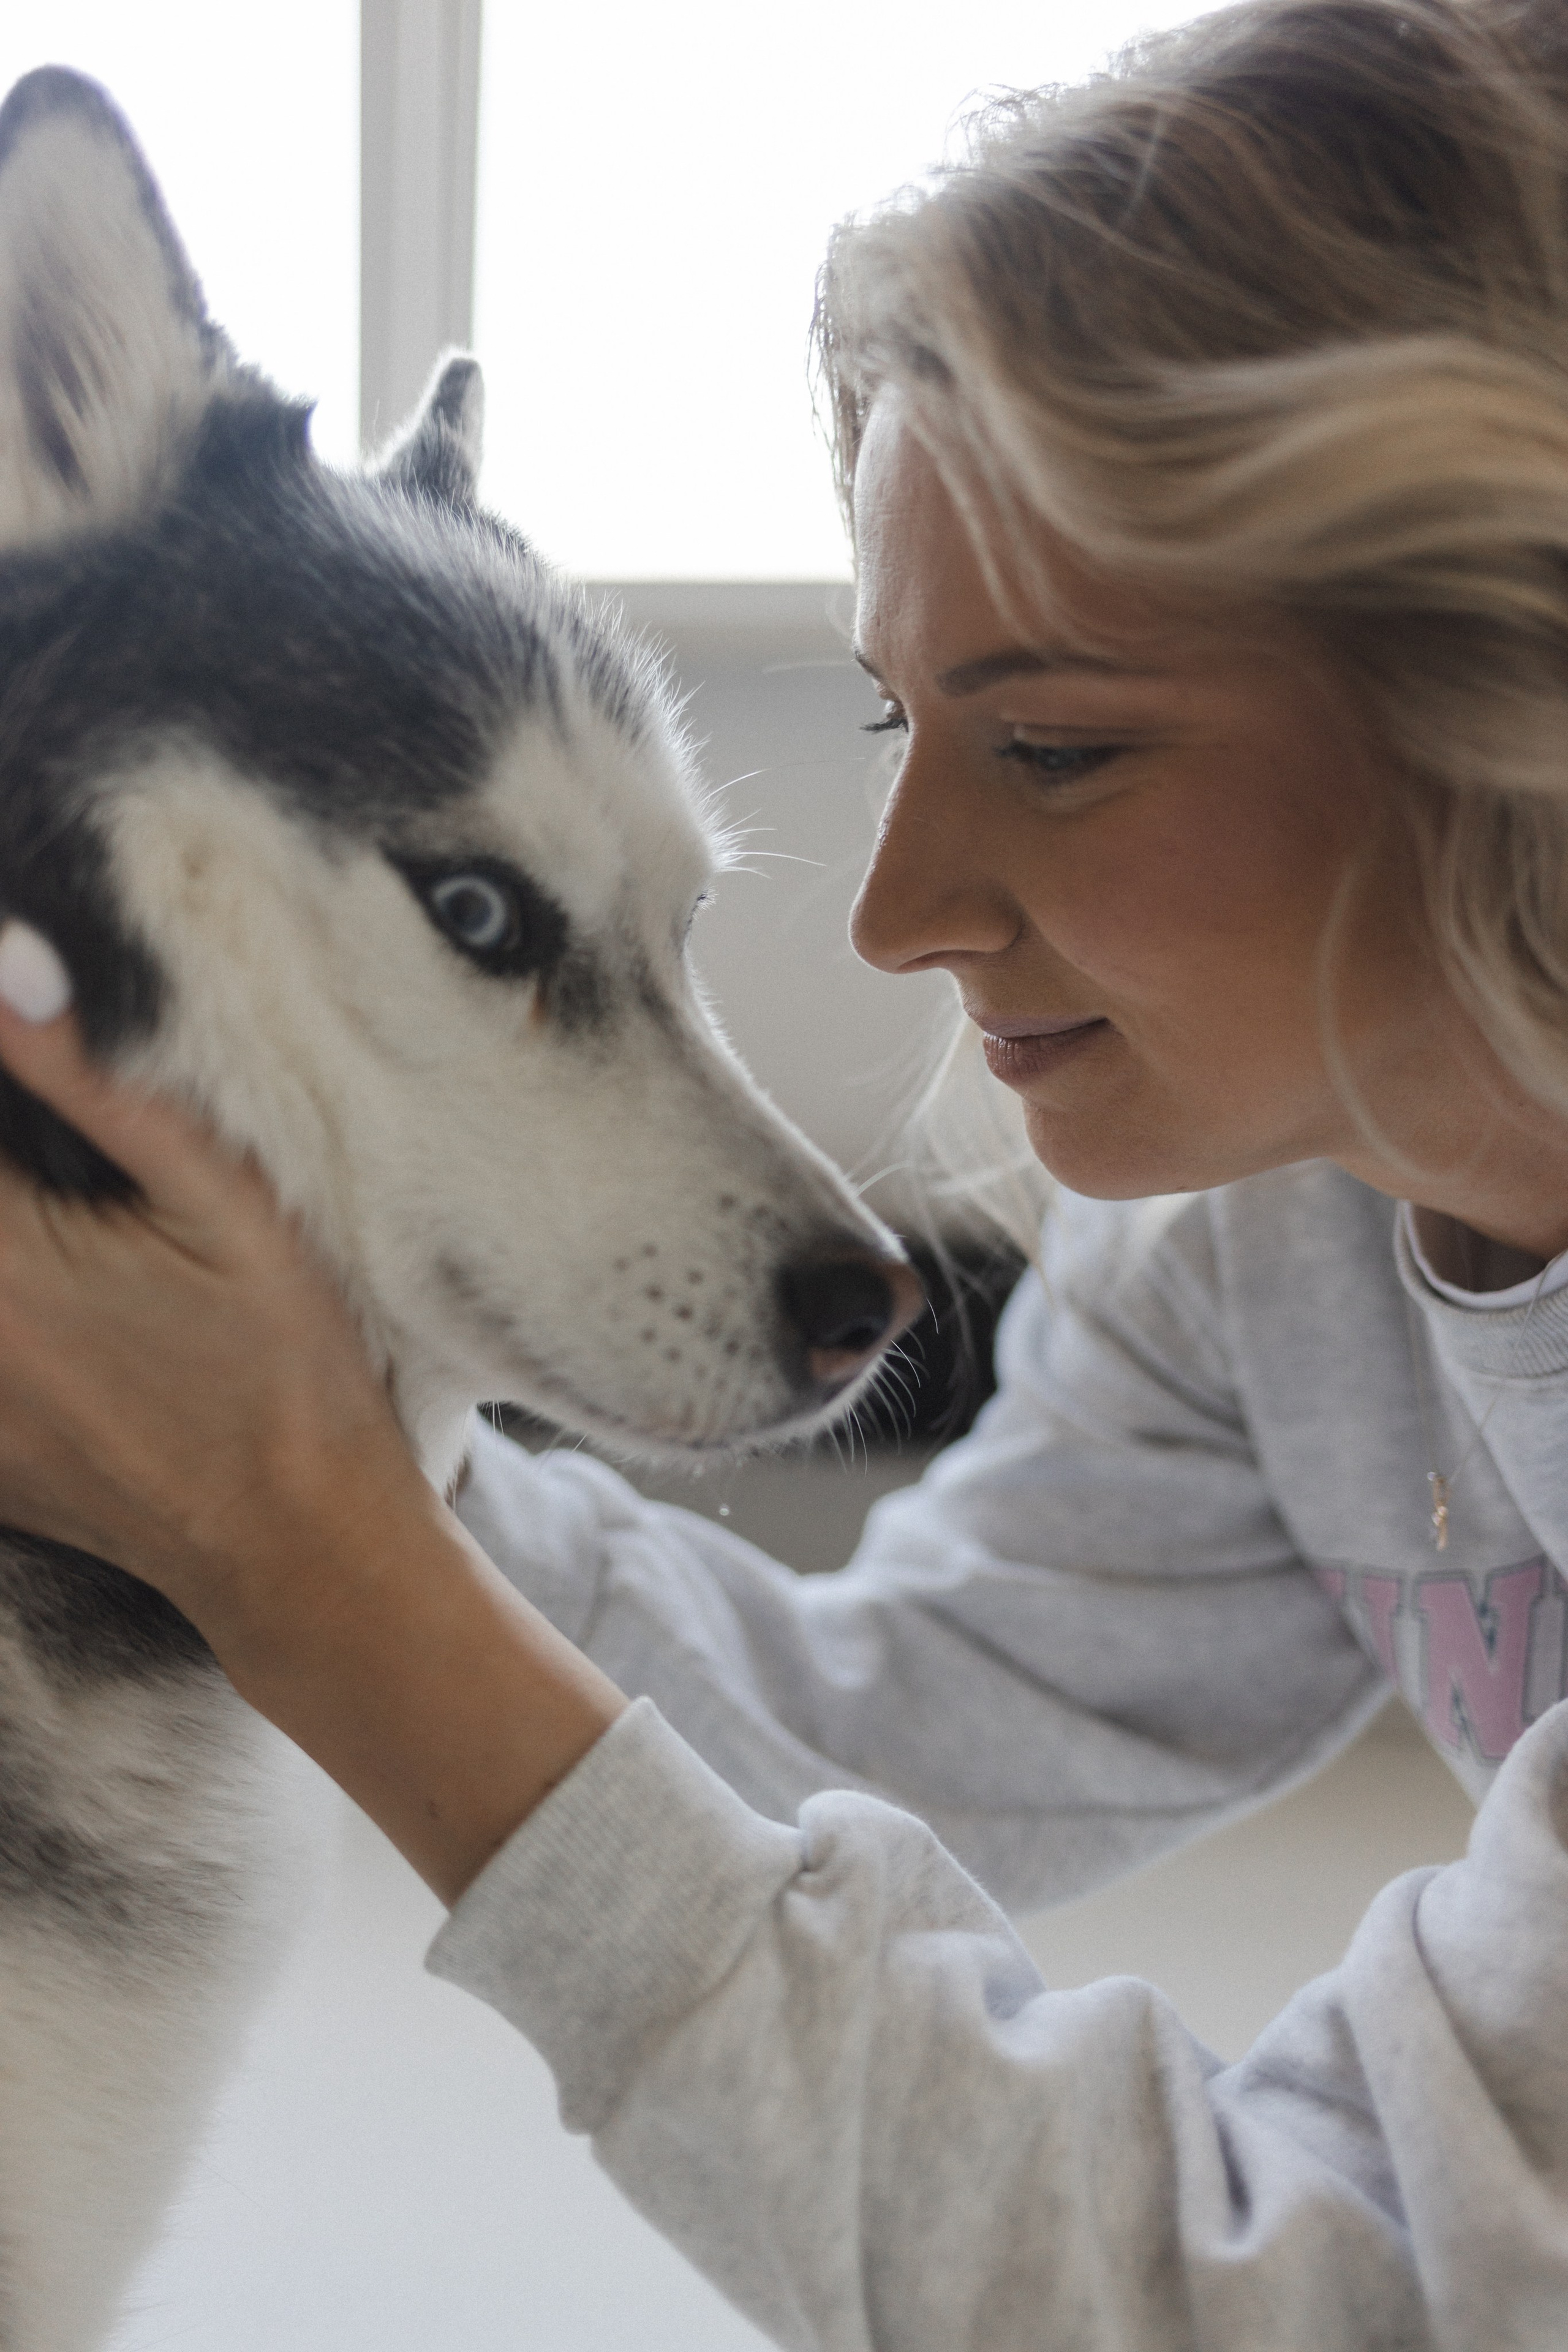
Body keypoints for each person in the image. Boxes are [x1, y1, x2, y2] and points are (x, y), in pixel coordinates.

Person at [3, 0, 1568, 2340]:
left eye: (1050, 743)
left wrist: (305, 1545)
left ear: (1503, 702)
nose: (891, 903)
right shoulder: (1274, 1229)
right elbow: (900, 1722)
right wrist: (276, 1394)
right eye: (896, 714)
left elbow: (1295, 2292)